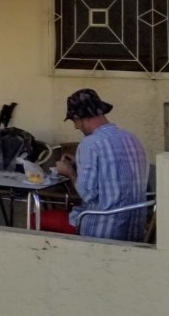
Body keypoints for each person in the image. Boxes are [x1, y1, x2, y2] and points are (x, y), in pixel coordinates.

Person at [47, 89, 149, 241]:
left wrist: (70, 173)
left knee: (36, 217)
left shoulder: (90, 144)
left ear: (81, 118)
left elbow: (88, 195)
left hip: (102, 228)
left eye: (74, 121)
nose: (76, 127)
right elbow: (115, 169)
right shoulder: (131, 138)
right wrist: (78, 163)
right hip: (135, 229)